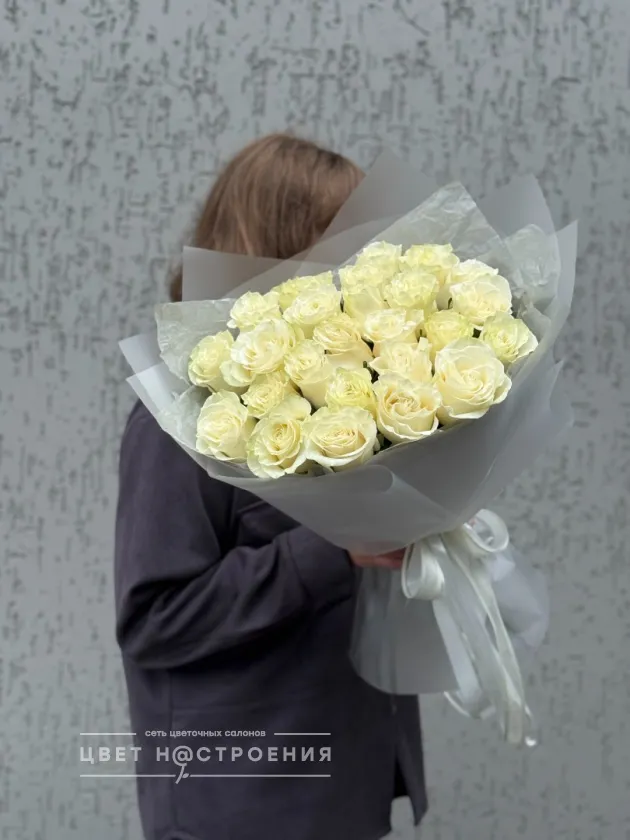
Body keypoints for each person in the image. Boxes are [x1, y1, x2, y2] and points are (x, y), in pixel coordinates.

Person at [114, 133, 427, 840]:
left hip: (345, 780)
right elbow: (153, 619)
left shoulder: (343, 394)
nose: (367, 259)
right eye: (346, 237)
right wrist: (334, 552)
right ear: (282, 247)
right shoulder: (179, 416)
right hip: (241, 804)